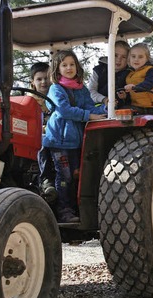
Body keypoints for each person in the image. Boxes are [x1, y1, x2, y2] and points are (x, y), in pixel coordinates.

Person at [43, 50, 106, 223]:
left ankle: (76, 208)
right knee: (64, 176)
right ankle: (63, 210)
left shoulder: (81, 89)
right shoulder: (56, 89)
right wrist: (88, 116)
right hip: (60, 140)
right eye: (64, 65)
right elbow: (64, 110)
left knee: (77, 174)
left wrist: (106, 109)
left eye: (72, 64)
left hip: (76, 141)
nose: (69, 68)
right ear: (57, 69)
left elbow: (91, 107)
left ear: (77, 67)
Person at [29, 62, 57, 202]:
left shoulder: (57, 97)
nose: (44, 82)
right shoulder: (29, 101)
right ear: (32, 82)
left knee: (44, 141)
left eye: (47, 78)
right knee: (41, 140)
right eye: (39, 79)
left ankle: (47, 181)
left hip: (53, 135)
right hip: (34, 135)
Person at [87, 40, 131, 110]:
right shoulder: (99, 70)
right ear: (110, 54)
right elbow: (91, 91)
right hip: (100, 108)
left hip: (123, 110)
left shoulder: (131, 73)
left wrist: (126, 96)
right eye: (115, 55)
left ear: (128, 59)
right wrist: (104, 99)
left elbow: (135, 93)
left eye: (123, 57)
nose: (118, 59)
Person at [124, 43, 153, 115]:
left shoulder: (152, 71)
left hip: (151, 108)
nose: (136, 59)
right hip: (136, 106)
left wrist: (134, 87)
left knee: (124, 111)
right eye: (133, 56)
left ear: (147, 58)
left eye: (140, 57)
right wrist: (124, 95)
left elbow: (149, 83)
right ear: (129, 58)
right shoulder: (130, 74)